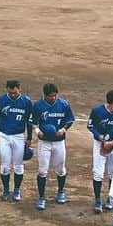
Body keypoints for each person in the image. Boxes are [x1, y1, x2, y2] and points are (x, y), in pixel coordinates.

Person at [32, 82, 75, 210]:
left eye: (55, 95)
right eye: (51, 96)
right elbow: (34, 122)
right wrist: (37, 132)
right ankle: (41, 197)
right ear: (45, 95)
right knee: (42, 170)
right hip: (44, 142)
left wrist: (64, 129)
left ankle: (61, 191)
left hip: (59, 142)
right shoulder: (38, 105)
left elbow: (70, 120)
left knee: (60, 169)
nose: (53, 98)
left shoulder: (63, 104)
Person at [0, 79, 33, 201]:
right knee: (5, 166)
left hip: (19, 136)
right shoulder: (1, 100)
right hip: (4, 136)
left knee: (18, 166)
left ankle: (17, 190)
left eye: (15, 92)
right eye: (10, 93)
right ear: (7, 90)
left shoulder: (26, 102)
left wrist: (29, 138)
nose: (13, 95)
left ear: (19, 89)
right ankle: (5, 189)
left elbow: (29, 122)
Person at [87, 88, 113, 213]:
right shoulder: (97, 111)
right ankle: (98, 200)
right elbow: (90, 126)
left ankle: (110, 197)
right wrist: (99, 136)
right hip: (100, 144)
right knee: (98, 172)